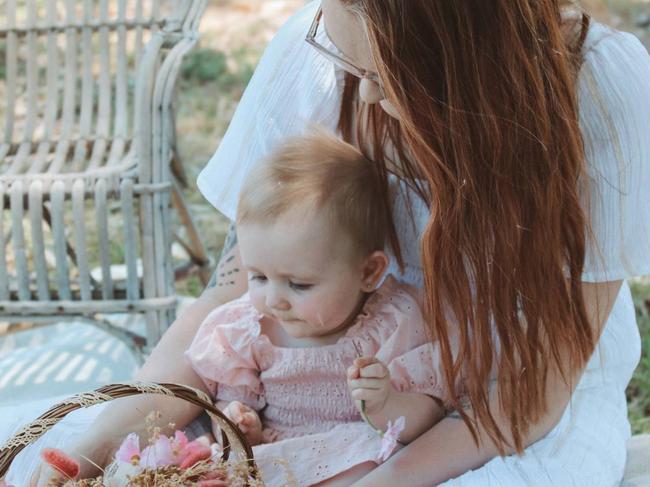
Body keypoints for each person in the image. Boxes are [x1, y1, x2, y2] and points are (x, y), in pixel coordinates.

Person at [18, 0, 650, 485]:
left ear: (471, 60)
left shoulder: (603, 94)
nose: (368, 93)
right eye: (355, 68)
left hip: (493, 418)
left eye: (392, 74)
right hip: (306, 411)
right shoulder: (315, 52)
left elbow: (529, 397)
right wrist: (88, 453)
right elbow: (229, 305)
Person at [186, 130, 449, 485]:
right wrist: (240, 420)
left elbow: (429, 413)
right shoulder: (251, 328)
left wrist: (386, 404)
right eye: (258, 277)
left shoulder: (392, 324)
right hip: (274, 452)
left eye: (298, 284)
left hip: (350, 453)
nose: (274, 299)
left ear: (368, 272)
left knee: (372, 464)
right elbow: (230, 396)